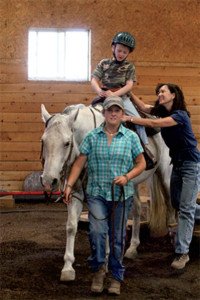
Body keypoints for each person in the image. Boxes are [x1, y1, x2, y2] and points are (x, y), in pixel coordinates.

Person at [63, 96, 146, 295]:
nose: (113, 114)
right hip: (96, 193)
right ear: (104, 113)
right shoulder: (92, 137)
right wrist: (69, 185)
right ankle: (99, 270)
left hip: (121, 196)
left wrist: (127, 177)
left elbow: (141, 164)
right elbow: (79, 163)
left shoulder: (131, 137)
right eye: (110, 110)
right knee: (97, 233)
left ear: (122, 114)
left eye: (117, 110)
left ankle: (116, 276)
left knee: (117, 238)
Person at [122, 83, 200, 270]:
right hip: (178, 165)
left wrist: (128, 118)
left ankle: (182, 254)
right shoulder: (162, 112)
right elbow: (144, 108)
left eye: (163, 91)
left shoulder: (179, 116)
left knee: (186, 210)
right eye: (158, 92)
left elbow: (152, 123)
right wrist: (128, 92)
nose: (159, 94)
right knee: (176, 203)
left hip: (191, 166)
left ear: (173, 95)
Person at [91, 31, 155, 162]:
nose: (121, 54)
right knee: (89, 115)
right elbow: (93, 79)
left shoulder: (129, 66)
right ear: (113, 48)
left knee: (137, 119)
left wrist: (114, 95)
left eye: (125, 52)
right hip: (105, 96)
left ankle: (144, 149)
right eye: (119, 51)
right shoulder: (104, 63)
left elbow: (129, 85)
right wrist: (99, 91)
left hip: (122, 98)